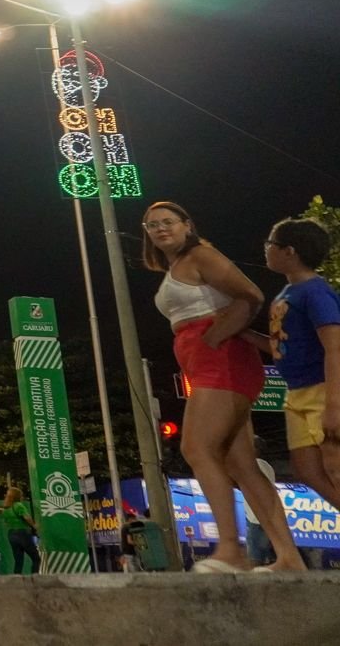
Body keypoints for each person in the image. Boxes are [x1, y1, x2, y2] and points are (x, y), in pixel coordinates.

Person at [143, 201, 305, 572]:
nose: (160, 229)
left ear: (188, 225)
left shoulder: (201, 255)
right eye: (152, 225)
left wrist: (215, 336)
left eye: (169, 221)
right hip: (207, 363)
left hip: (222, 363)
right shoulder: (175, 266)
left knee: (196, 447)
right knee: (241, 464)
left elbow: (250, 295)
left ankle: (230, 549)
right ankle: (289, 557)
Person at [247, 218, 340, 517]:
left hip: (321, 388)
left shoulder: (315, 292)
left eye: (270, 244)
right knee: (308, 471)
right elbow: (281, 349)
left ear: (289, 251)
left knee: (335, 469)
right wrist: (242, 334)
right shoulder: (288, 294)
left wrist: (334, 405)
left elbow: (334, 346)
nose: (266, 249)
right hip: (296, 392)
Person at [241, 439, 278, 568]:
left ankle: (253, 584)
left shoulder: (255, 465)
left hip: (256, 519)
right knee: (264, 557)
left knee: (254, 558)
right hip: (265, 519)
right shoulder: (268, 466)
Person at [0, 486, 40, 574]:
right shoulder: (18, 505)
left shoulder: (6, 508)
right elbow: (26, 517)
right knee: (36, 558)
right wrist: (34, 525)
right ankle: (35, 578)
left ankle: (16, 579)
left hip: (11, 534)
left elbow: (6, 522)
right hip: (22, 533)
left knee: (18, 560)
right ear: (17, 496)